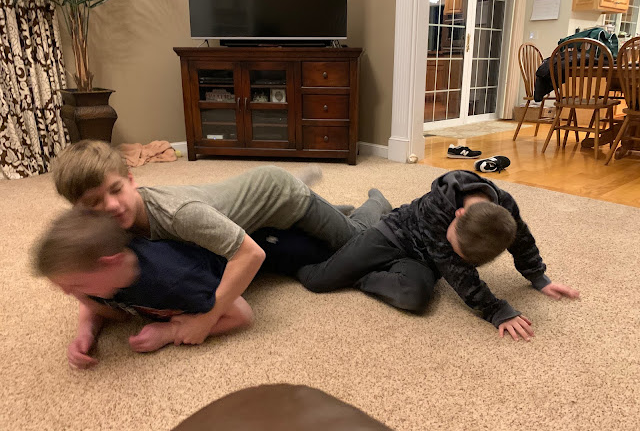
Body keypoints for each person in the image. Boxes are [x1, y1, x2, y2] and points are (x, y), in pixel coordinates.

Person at [52, 140, 391, 348]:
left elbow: (250, 254)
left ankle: (376, 203)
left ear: (130, 180)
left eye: (115, 190)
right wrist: (86, 329)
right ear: (78, 211)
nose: (111, 206)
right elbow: (94, 281)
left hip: (280, 195)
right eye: (94, 203)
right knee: (310, 227)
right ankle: (332, 210)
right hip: (244, 213)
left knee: (354, 240)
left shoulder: (178, 214)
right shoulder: (111, 228)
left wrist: (205, 320)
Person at [296, 170, 580, 342]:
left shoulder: (504, 208)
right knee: (317, 280)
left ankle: (360, 271)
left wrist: (539, 278)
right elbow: (455, 269)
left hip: (425, 259)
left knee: (414, 298)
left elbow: (521, 239)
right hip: (394, 233)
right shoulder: (438, 204)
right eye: (453, 243)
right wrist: (495, 309)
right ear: (459, 214)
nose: (455, 252)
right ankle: (376, 203)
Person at [34, 209, 334, 369]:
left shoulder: (173, 280)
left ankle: (352, 215)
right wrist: (85, 331)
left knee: (330, 248)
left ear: (109, 263)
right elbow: (91, 303)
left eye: (74, 286)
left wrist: (170, 332)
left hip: (265, 242)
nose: (71, 295)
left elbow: (242, 315)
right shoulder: (101, 282)